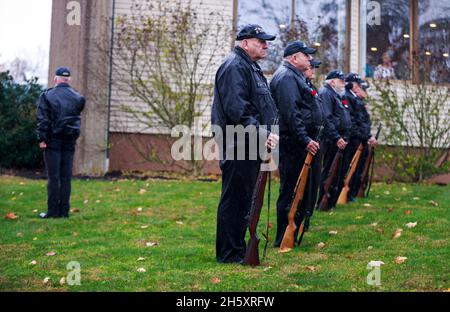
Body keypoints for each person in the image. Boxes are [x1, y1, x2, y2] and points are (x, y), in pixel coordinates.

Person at [211, 24, 279, 263]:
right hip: (239, 143)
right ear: (245, 42)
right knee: (235, 200)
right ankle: (229, 254)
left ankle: (238, 250)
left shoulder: (249, 67)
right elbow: (238, 110)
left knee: (245, 199)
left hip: (250, 143)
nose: (265, 45)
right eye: (260, 40)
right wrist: (262, 133)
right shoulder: (235, 66)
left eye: (266, 41)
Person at [269, 41, 323, 247]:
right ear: (294, 58)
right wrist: (305, 139)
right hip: (293, 144)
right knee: (291, 189)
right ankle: (283, 236)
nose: (309, 59)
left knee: (300, 188)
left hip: (300, 142)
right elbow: (291, 114)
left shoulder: (293, 76)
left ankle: (295, 230)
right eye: (305, 55)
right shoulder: (287, 78)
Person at [36, 67, 85, 219]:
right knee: (65, 177)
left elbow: (43, 120)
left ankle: (52, 212)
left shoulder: (47, 96)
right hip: (69, 141)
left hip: (53, 141)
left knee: (54, 177)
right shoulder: (78, 98)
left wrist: (42, 139)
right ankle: (64, 211)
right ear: (68, 80)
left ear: (55, 79)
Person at [317, 70, 352, 211]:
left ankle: (330, 201)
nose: (343, 83)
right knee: (328, 170)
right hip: (331, 139)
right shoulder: (326, 93)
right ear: (332, 81)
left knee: (335, 171)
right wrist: (336, 137)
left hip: (338, 138)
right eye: (340, 80)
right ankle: (322, 201)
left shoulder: (335, 94)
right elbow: (327, 118)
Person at [348, 79, 377, 198]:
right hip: (356, 139)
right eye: (362, 88)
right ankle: (349, 193)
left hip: (361, 138)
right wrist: (366, 136)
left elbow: (363, 122)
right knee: (352, 169)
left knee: (359, 169)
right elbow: (356, 122)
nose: (364, 91)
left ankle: (353, 192)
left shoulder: (358, 101)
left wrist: (368, 136)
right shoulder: (352, 100)